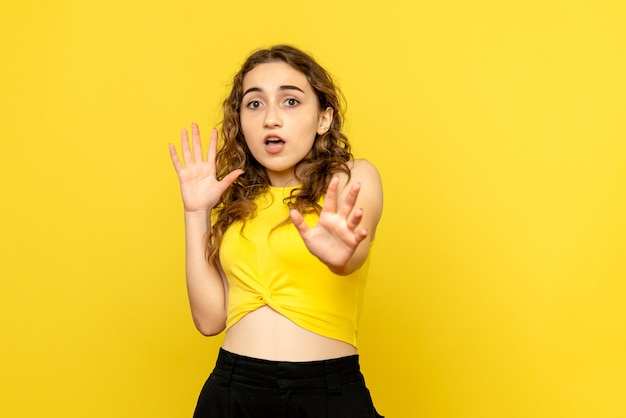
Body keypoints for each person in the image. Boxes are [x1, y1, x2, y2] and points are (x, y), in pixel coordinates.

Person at [169, 44, 384, 418]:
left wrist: (343, 254)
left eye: (290, 101)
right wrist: (196, 211)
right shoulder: (237, 201)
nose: (271, 118)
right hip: (232, 389)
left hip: (326, 394)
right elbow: (209, 321)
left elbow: (353, 250)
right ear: (241, 120)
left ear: (324, 119)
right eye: (254, 104)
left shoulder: (352, 177)